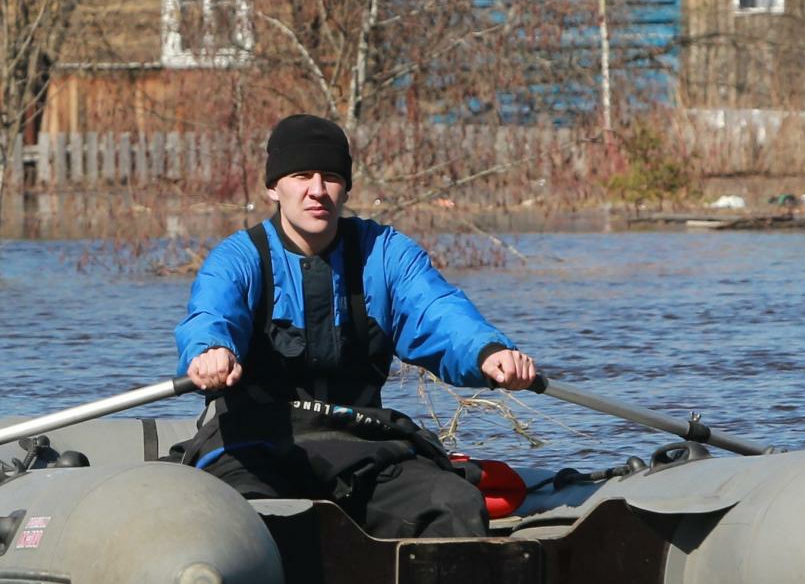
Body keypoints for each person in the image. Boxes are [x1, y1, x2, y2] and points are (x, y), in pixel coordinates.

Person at [174, 114, 541, 541]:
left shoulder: (385, 253)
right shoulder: (238, 257)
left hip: (361, 441)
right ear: (274, 188)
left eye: (330, 177)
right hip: (253, 445)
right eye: (301, 176)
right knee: (253, 517)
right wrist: (210, 350)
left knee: (453, 504)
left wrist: (488, 351)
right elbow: (211, 315)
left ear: (346, 187)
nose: (317, 190)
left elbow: (439, 312)